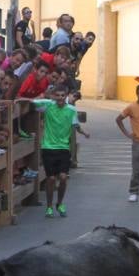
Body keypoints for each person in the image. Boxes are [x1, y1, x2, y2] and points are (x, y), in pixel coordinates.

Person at [32, 84, 90, 218]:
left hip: (63, 148)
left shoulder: (71, 110)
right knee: (51, 178)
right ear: (53, 96)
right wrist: (21, 99)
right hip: (48, 147)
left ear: (66, 96)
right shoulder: (47, 105)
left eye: (62, 95)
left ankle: (60, 203)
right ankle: (49, 206)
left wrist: (84, 133)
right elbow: (32, 103)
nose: (60, 98)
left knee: (63, 178)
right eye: (57, 95)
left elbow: (75, 125)